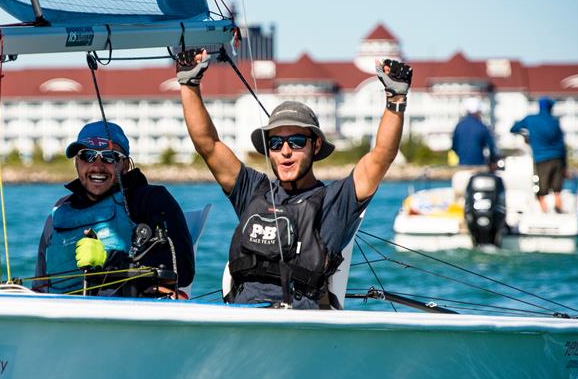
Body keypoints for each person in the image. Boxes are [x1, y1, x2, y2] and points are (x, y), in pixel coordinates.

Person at [176, 49, 412, 309]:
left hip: (299, 326)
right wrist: (189, 83)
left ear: (316, 144)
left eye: (297, 141)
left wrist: (396, 99)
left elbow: (381, 156)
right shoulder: (252, 189)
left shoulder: (336, 200)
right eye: (276, 143)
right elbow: (207, 145)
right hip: (243, 320)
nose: (285, 151)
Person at [35, 121, 194, 297]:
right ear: (77, 163)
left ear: (125, 165)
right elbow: (39, 286)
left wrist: (108, 261)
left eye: (109, 156)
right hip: (60, 317)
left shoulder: (150, 200)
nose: (97, 166)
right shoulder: (59, 212)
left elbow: (182, 270)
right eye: (87, 155)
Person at [510, 97, 568, 213]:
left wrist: (526, 137)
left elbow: (513, 129)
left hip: (541, 158)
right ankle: (558, 206)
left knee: (541, 186)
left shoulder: (531, 119)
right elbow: (562, 143)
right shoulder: (555, 121)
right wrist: (565, 164)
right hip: (558, 158)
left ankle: (544, 209)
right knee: (557, 187)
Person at [451, 97, 498, 167]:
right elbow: (491, 147)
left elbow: (454, 147)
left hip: (462, 165)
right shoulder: (482, 127)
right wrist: (492, 161)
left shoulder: (459, 126)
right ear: (479, 111)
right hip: (479, 165)